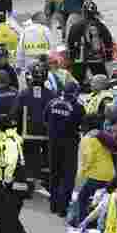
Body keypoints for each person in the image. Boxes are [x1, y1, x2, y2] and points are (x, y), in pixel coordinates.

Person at [0, 114, 31, 233]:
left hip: (8, 186)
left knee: (9, 220)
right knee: (2, 218)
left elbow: (11, 162)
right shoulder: (5, 139)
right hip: (4, 185)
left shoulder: (9, 141)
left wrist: (6, 181)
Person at [45, 80, 83, 218]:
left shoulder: (51, 103)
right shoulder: (78, 107)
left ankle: (53, 205)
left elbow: (46, 119)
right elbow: (81, 126)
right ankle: (63, 207)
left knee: (54, 173)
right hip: (69, 144)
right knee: (68, 176)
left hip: (53, 143)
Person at [67, 1, 113, 84]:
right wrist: (109, 57)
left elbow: (70, 42)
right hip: (96, 59)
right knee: (102, 82)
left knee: (76, 83)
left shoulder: (76, 26)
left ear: (83, 12)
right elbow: (108, 41)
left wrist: (71, 58)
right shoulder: (100, 25)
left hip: (79, 60)